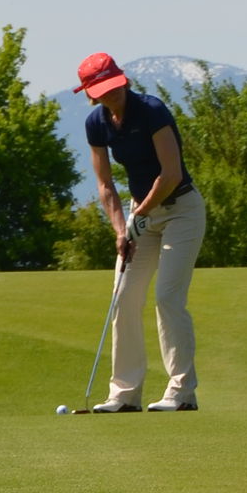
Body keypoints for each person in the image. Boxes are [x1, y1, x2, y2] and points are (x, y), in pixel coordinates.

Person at [76, 51, 208, 410]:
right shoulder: (96, 123)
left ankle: (181, 392)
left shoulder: (151, 110)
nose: (112, 92)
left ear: (124, 81)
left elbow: (171, 173)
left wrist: (141, 213)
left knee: (167, 297)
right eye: (103, 89)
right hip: (141, 216)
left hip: (181, 210)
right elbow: (105, 185)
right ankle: (124, 394)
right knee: (124, 297)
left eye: (115, 85)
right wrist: (121, 230)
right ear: (91, 94)